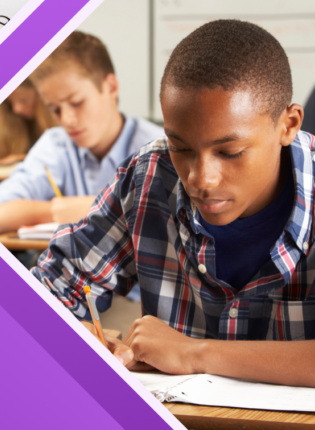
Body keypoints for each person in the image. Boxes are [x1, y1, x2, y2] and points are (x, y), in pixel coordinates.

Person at [33, 20, 315, 387]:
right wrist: (82, 335)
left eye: (230, 152)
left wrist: (194, 353)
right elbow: (43, 292)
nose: (201, 178)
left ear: (288, 125)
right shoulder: (149, 177)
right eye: (181, 148)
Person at [0, 32, 164, 235]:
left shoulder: (160, 148)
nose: (67, 119)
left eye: (77, 103)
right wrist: (57, 211)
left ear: (111, 87)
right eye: (55, 109)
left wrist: (98, 206)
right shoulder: (56, 145)